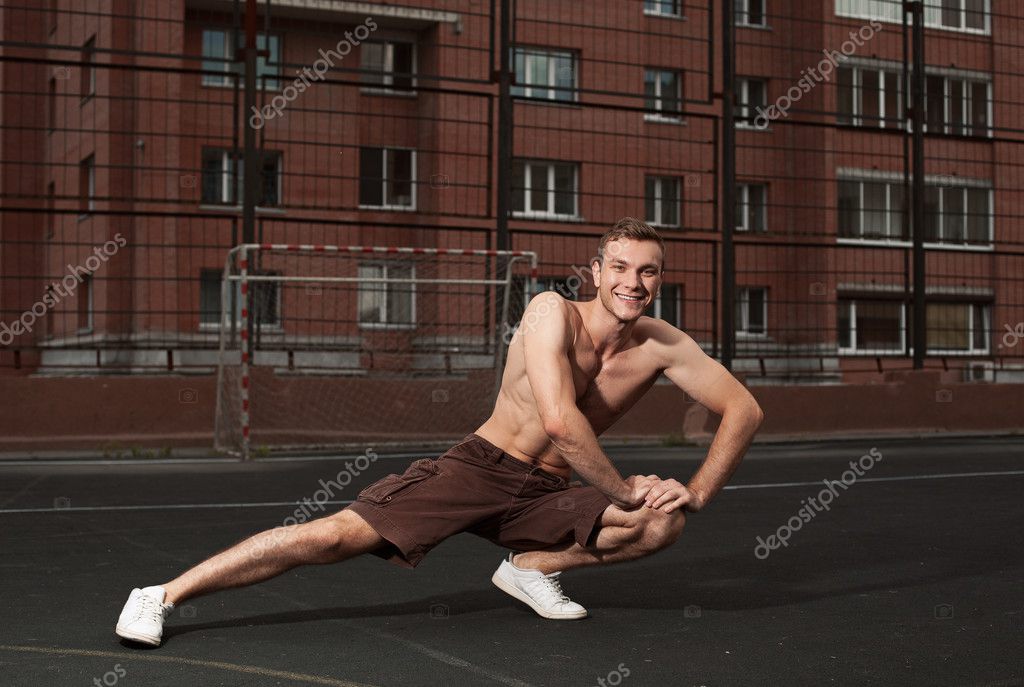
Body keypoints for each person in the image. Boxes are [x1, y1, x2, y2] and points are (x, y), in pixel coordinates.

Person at [115, 217, 763, 646]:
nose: (633, 282)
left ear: (659, 278)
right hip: (480, 467)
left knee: (662, 522)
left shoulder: (663, 344)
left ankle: (529, 567)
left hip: (547, 491)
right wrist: (622, 489)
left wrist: (697, 490)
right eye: (620, 267)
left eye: (647, 270)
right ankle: (161, 594)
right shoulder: (550, 312)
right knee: (334, 536)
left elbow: (744, 409)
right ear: (596, 271)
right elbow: (560, 422)